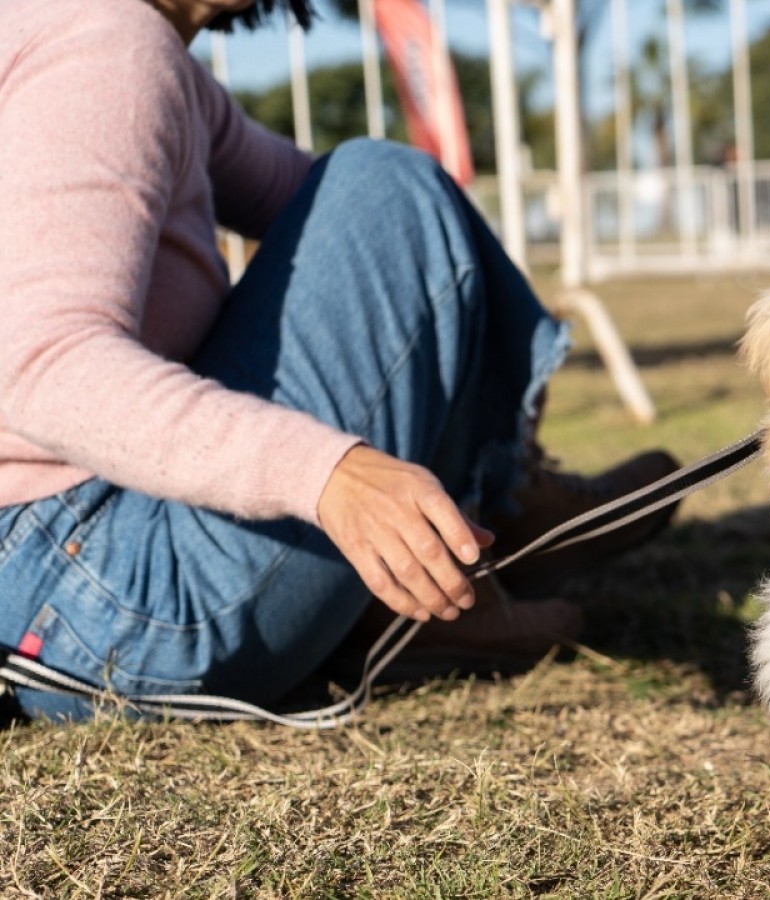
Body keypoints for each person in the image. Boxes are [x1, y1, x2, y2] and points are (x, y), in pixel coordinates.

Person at [0, 0, 680, 722]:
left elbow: (343, 213)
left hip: (68, 591)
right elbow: (42, 365)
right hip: (102, 598)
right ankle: (488, 524)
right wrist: (329, 474)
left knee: (396, 188)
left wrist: (473, 307)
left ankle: (479, 521)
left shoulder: (119, 48)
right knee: (389, 181)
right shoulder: (106, 42)